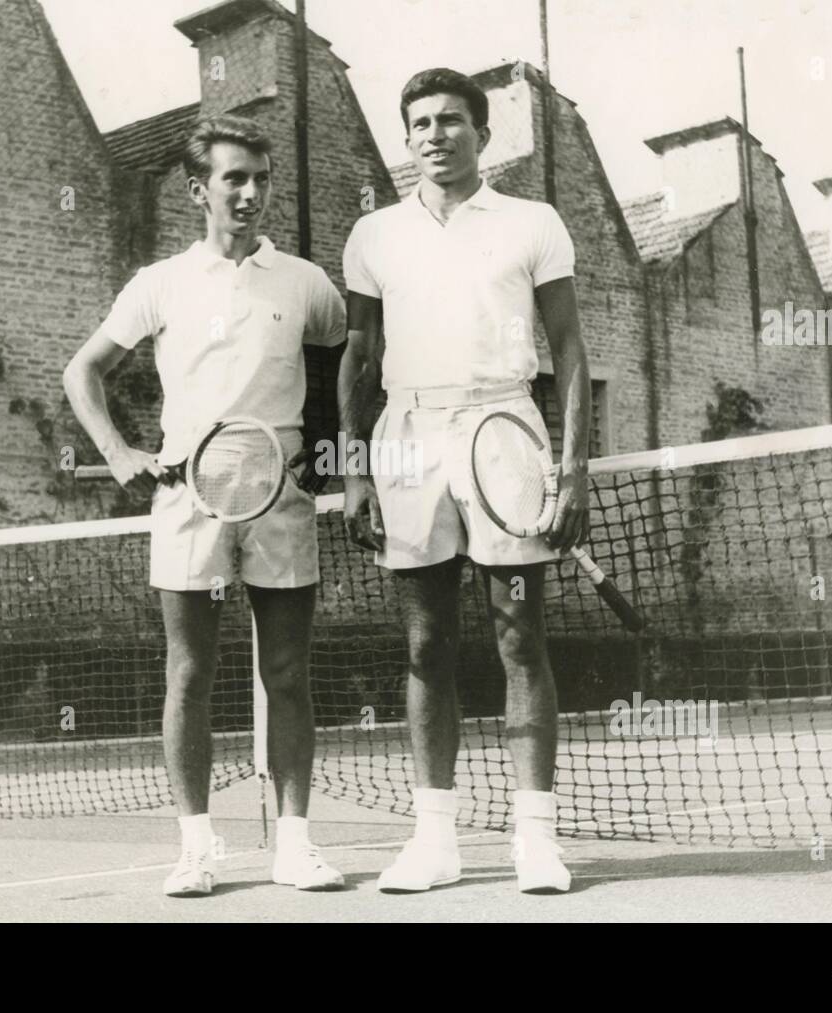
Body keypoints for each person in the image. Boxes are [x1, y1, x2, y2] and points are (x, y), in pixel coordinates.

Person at [64, 115, 346, 897]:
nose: (251, 193)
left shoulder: (305, 282)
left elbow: (349, 361)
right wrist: (120, 452)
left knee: (287, 671)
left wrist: (330, 449)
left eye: (262, 178)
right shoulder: (160, 283)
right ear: (198, 190)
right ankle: (196, 848)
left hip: (281, 496)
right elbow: (82, 371)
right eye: (234, 179)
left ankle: (295, 846)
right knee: (189, 673)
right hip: (187, 496)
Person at [339, 68, 591, 894]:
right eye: (420, 123)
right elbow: (360, 354)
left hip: (503, 428)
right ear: (407, 138)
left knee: (519, 637)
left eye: (451, 120)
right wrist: (355, 468)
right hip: (408, 437)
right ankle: (434, 841)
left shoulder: (533, 222)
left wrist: (573, 469)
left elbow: (570, 348)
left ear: (482, 133)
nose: (435, 134)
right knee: (425, 643)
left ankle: (536, 840)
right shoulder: (374, 235)